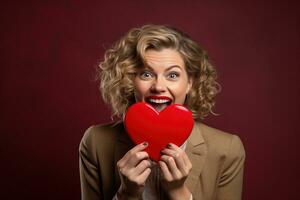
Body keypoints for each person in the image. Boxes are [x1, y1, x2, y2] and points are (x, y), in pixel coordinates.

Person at [79, 24, 246, 200]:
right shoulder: (96, 142)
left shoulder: (227, 150)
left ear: (190, 83)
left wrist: (178, 193)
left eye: (172, 75)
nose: (158, 87)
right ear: (130, 80)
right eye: (146, 74)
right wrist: (126, 193)